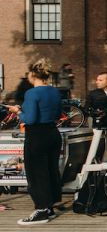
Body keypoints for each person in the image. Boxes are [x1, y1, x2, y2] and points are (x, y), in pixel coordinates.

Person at [8, 59, 62, 225]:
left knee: (36, 173)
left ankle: (41, 210)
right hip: (53, 133)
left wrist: (18, 111)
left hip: (37, 135)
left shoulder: (31, 93)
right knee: (51, 170)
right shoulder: (54, 91)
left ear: (33, 75)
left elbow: (30, 119)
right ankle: (49, 207)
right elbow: (58, 114)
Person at [86, 71, 107, 162]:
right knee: (96, 151)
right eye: (97, 80)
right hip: (98, 127)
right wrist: (94, 113)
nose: (97, 82)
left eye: (100, 80)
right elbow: (86, 109)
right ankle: (95, 172)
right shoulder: (93, 93)